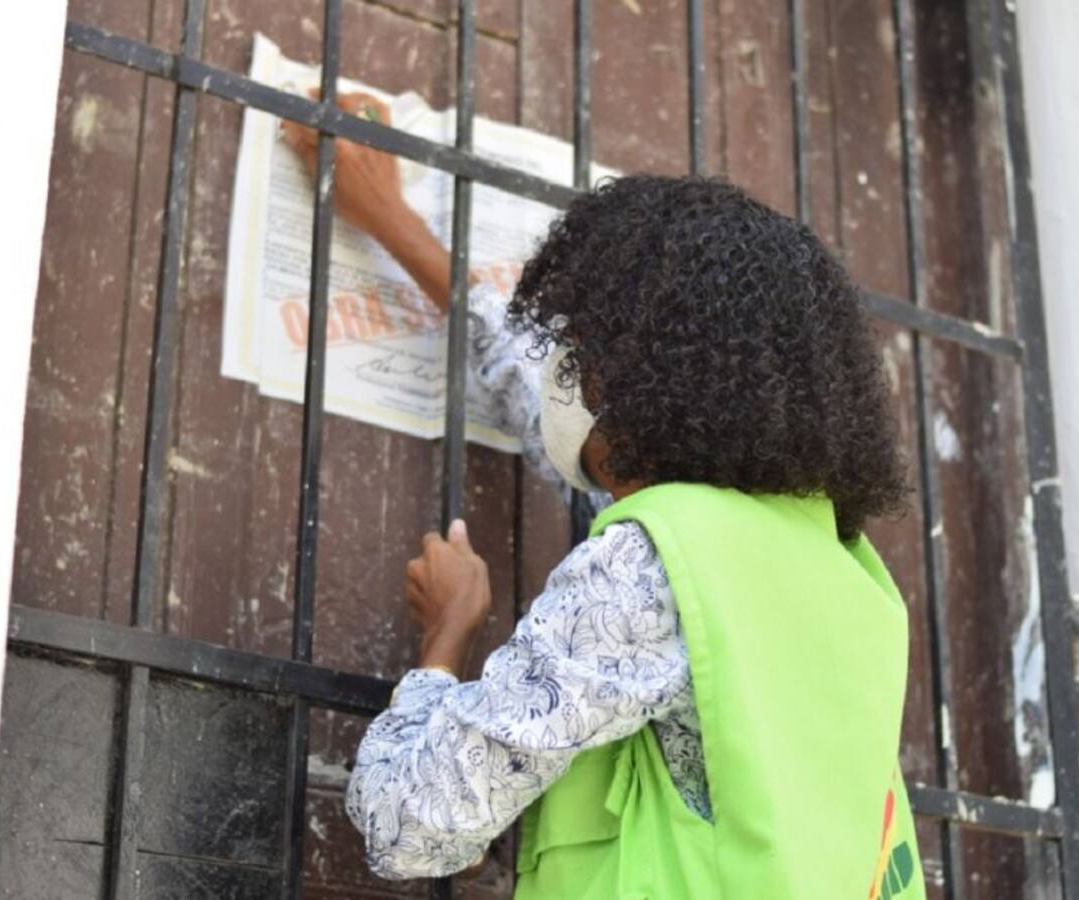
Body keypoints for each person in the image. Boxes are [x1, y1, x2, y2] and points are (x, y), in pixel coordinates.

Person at [283, 93, 925, 900]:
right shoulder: (843, 570)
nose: (559, 373)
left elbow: (411, 824)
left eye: (575, 353)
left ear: (645, 383)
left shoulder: (650, 566)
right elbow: (532, 394)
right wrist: (392, 221)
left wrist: (445, 637)